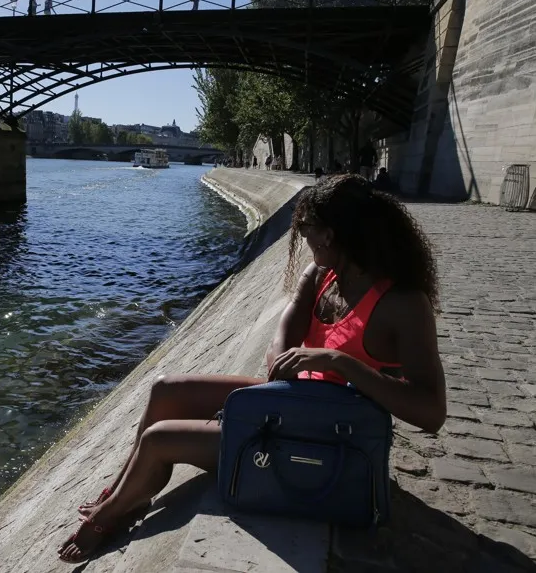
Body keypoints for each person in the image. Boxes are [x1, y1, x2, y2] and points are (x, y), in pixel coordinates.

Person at [57, 174, 446, 563]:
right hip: (292, 405)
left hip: (329, 437)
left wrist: (337, 362)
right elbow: (284, 336)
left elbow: (431, 412)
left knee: (159, 439)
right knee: (166, 389)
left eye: (306, 230)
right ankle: (128, 486)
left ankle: (112, 513)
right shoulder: (323, 276)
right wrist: (280, 362)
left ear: (329, 235)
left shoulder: (403, 304)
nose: (303, 240)